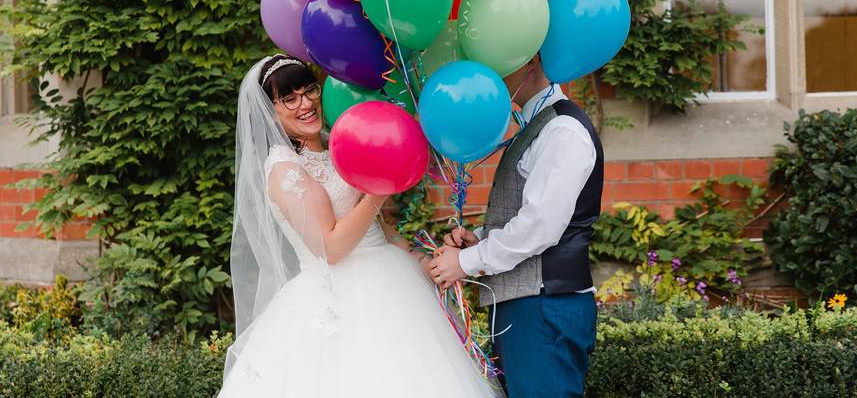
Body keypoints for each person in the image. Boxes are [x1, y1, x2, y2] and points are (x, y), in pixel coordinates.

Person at [219, 54, 502, 398]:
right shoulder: (284, 169)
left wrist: (425, 264)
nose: (305, 104)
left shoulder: (340, 146)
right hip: (337, 298)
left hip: (392, 281)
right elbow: (332, 247)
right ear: (270, 111)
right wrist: (378, 192)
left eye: (308, 91)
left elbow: (380, 230)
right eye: (289, 99)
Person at [429, 54, 603, 398]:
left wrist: (464, 263)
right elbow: (527, 215)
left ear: (530, 60)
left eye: (496, 57)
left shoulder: (563, 130)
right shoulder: (537, 123)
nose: (486, 72)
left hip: (544, 306)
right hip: (527, 304)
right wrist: (476, 240)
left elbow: (540, 226)